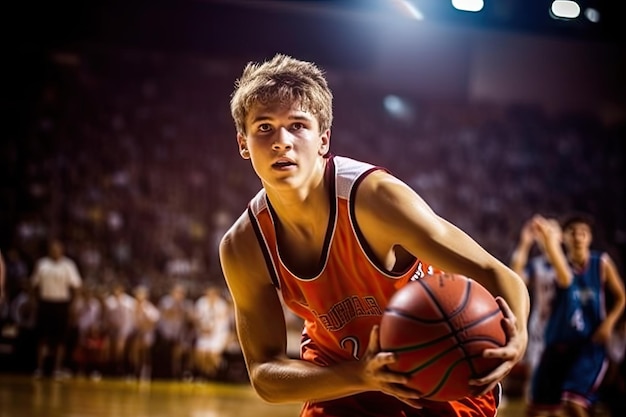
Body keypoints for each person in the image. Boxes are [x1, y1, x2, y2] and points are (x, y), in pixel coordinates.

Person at [218, 54, 530, 417]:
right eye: (265, 127)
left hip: (435, 361)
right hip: (343, 374)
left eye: (298, 125)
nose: (281, 141)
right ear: (243, 143)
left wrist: (519, 335)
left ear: (323, 139)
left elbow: (495, 274)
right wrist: (363, 375)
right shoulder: (243, 247)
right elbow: (263, 373)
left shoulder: (375, 198)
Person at [528, 213, 625, 417]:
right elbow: (560, 269)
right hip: (556, 345)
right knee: (535, 409)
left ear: (590, 238)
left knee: (573, 403)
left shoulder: (601, 263)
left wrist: (609, 323)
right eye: (573, 232)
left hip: (588, 345)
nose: (578, 237)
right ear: (564, 237)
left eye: (583, 233)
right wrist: (545, 239)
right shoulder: (556, 269)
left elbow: (621, 297)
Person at [509, 216, 561, 393]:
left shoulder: (569, 264)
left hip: (565, 328)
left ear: (561, 237)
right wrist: (525, 243)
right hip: (541, 327)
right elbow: (514, 278)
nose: (545, 235)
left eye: (552, 231)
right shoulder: (537, 265)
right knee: (534, 385)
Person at [31, 239, 83, 379]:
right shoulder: (42, 264)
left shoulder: (68, 265)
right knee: (42, 337)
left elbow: (76, 286)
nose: (55, 251)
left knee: (60, 339)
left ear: (62, 250)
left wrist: (73, 305)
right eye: (53, 249)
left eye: (57, 249)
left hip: (61, 304)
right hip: (45, 303)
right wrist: (34, 302)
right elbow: (34, 285)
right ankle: (40, 368)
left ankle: (56, 369)